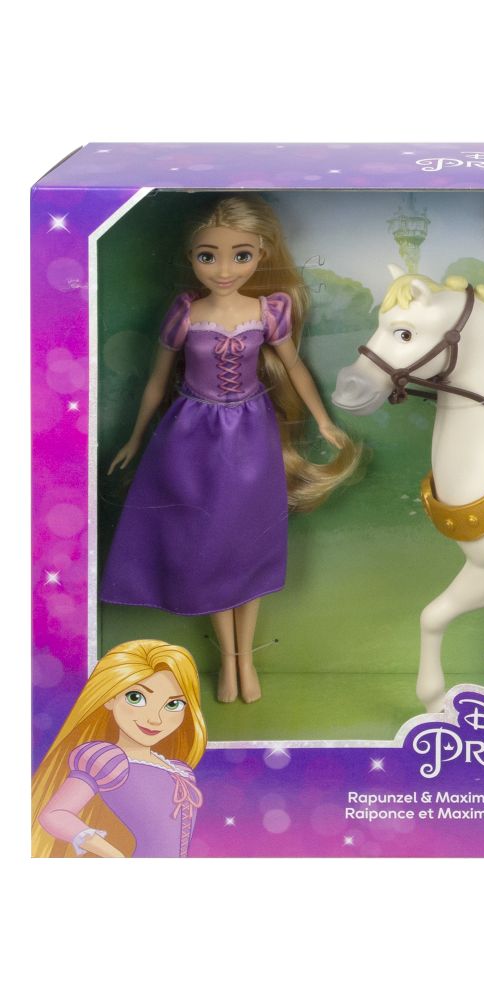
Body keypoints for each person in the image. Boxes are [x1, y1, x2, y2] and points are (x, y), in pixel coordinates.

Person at [101, 196, 359, 702]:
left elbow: (295, 368)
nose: (223, 270)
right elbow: (156, 381)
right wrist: (134, 437)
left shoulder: (268, 311)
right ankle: (229, 662)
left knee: (249, 543)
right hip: (192, 437)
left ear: (261, 253)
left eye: (240, 256)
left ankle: (246, 660)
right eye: (208, 256)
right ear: (191, 257)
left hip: (251, 435)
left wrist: (325, 420)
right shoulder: (186, 313)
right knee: (212, 546)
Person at [32, 640, 207, 858]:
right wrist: (114, 855)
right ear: (110, 698)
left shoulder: (180, 770)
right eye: (136, 697)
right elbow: (54, 814)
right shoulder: (108, 760)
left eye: (173, 704)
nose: (155, 719)